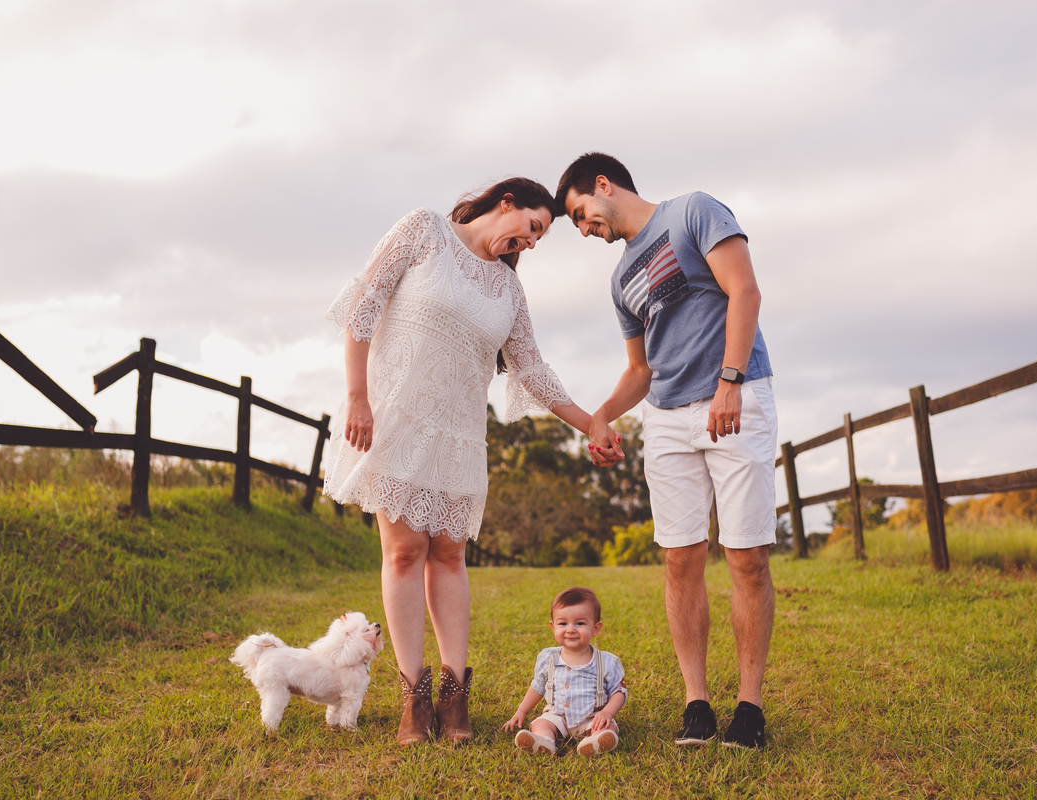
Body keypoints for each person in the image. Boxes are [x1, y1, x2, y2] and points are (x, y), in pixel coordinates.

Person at [322, 178, 592, 746]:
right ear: (507, 203)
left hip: (461, 437)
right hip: (395, 417)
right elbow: (364, 305)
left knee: (448, 554)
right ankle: (414, 699)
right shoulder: (423, 230)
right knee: (403, 552)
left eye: (539, 239)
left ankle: (454, 694)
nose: (532, 244)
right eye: (534, 228)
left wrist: (592, 423)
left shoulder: (509, 292)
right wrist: (356, 395)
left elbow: (533, 369)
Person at [555, 153, 777, 750]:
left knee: (746, 557)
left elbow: (745, 291)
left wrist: (729, 380)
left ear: (603, 185)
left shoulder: (693, 212)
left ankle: (749, 709)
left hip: (736, 397)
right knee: (681, 559)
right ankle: (697, 704)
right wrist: (601, 416)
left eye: (580, 214)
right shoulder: (618, 278)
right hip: (668, 420)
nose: (583, 229)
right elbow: (640, 369)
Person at [502, 586, 627, 756]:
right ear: (553, 627)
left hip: (592, 717)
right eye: (563, 623)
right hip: (557, 716)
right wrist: (521, 711)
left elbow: (619, 692)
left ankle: (595, 741)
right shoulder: (549, 658)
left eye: (580, 623)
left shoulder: (606, 662)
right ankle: (544, 742)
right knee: (540, 724)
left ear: (596, 628)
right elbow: (537, 687)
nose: (570, 629)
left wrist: (607, 712)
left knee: (608, 726)